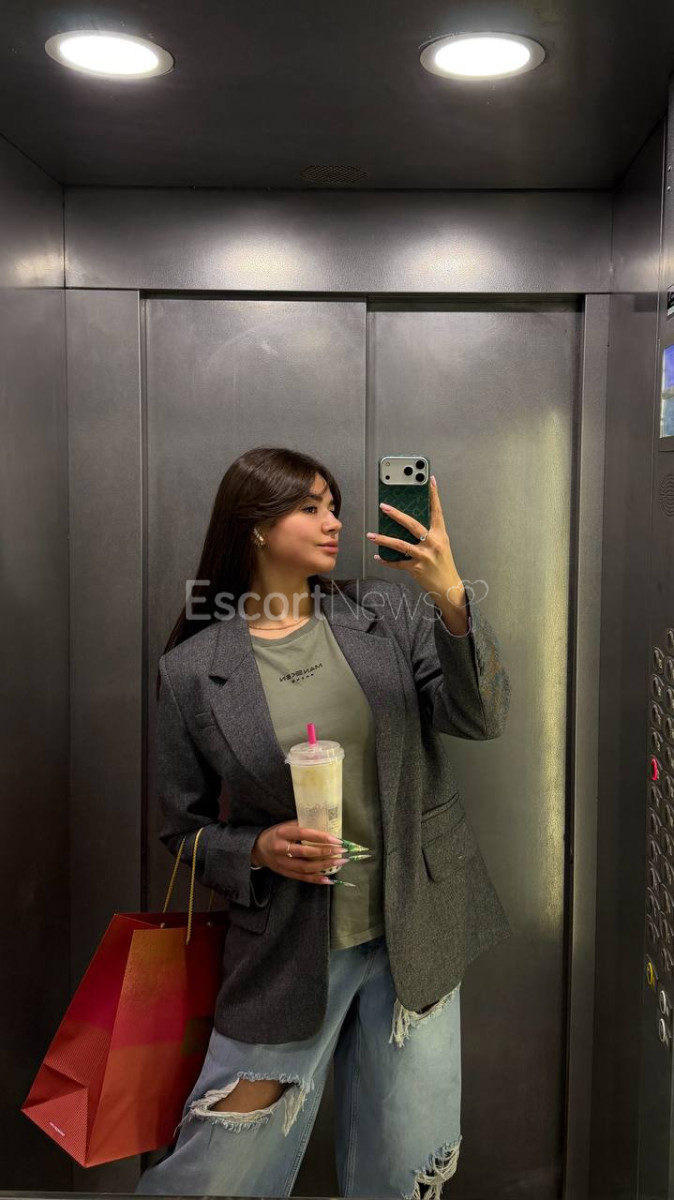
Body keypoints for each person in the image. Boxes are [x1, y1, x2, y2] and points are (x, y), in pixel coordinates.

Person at [135, 445, 513, 1198]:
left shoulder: (388, 612)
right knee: (217, 1176)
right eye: (309, 507)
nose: (333, 521)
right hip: (286, 948)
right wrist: (259, 849)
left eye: (333, 505)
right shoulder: (194, 671)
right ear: (255, 526)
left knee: (402, 1171)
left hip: (415, 928)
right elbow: (184, 829)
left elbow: (481, 716)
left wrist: (449, 595)